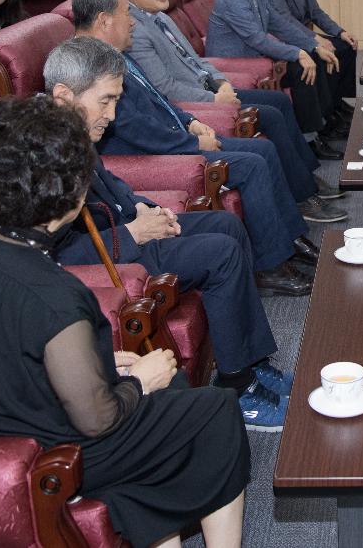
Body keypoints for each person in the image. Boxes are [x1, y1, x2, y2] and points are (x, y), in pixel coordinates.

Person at [0, 96, 247, 548]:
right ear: (72, 197)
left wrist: (104, 363)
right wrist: (138, 381)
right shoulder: (55, 296)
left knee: (175, 395)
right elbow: (97, 419)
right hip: (39, 455)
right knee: (214, 411)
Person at [47, 37, 293, 431]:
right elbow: (55, 254)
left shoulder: (71, 130)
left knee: (226, 224)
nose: (112, 114)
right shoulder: (43, 154)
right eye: (106, 100)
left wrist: (146, 207)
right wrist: (133, 233)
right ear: (63, 94)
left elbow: (110, 184)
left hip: (124, 228)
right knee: (220, 253)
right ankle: (238, 387)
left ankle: (253, 360)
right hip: (111, 256)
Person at [70, 0, 319, 295]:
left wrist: (192, 121)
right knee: (254, 163)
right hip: (154, 155)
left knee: (263, 150)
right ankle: (270, 267)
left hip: (174, 136)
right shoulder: (89, 65)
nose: (132, 20)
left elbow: (158, 98)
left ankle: (288, 240)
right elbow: (133, 128)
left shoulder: (113, 53)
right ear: (105, 20)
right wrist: (191, 145)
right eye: (125, 13)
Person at [118, 0, 344, 211]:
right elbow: (165, 88)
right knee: (269, 114)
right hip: (198, 101)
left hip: (210, 88)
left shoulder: (161, 16)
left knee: (279, 102)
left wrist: (221, 82)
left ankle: (303, 177)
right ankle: (303, 193)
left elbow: (198, 60)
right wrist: (215, 99)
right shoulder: (134, 31)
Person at [206, 0, 342, 159]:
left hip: (255, 56)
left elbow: (278, 24)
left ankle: (322, 125)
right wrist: (297, 52)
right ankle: (309, 139)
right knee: (300, 70)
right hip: (237, 66)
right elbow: (257, 39)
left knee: (314, 56)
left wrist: (312, 45)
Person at [264, 0, 357, 135]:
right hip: (287, 40)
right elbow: (284, 21)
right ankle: (324, 119)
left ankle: (336, 104)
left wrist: (340, 32)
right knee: (321, 54)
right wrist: (316, 39)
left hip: (304, 37)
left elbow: (316, 13)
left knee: (346, 47)